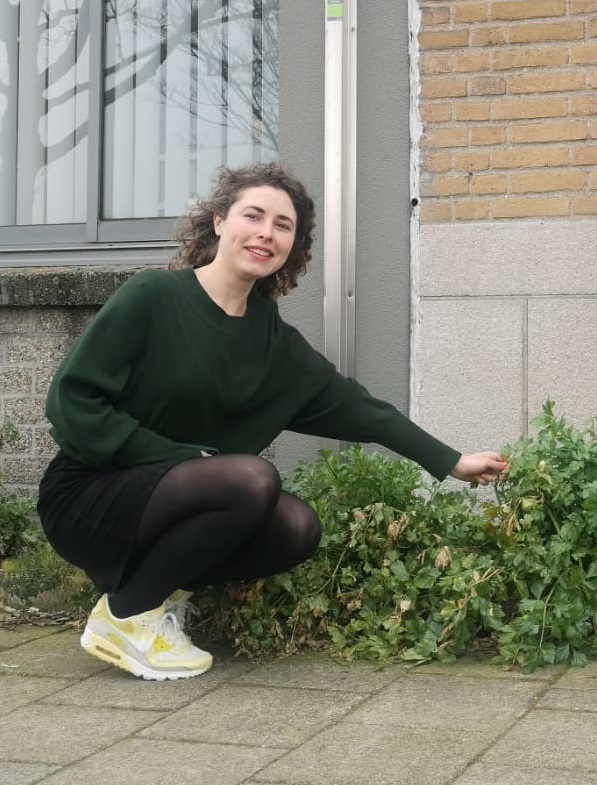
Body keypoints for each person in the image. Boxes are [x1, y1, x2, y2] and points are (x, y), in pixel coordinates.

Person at [37, 163, 508, 682]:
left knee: (296, 528)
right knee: (251, 477)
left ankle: (146, 599)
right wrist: (181, 458)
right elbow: (72, 401)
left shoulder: (272, 341)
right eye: (253, 215)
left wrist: (452, 461)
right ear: (219, 221)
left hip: (178, 499)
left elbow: (359, 408)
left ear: (292, 246)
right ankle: (125, 619)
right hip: (89, 495)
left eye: (283, 225)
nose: (266, 232)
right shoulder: (153, 297)